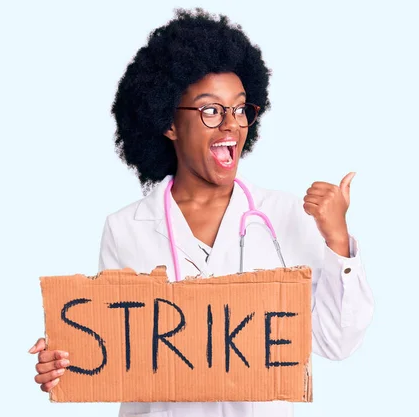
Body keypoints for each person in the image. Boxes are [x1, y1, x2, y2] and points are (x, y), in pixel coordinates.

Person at [28, 8, 374, 417]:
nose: (231, 125)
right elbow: (117, 351)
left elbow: (336, 343)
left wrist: (337, 240)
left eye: (241, 109)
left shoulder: (288, 216)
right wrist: (68, 361)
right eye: (211, 110)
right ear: (169, 123)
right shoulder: (124, 229)